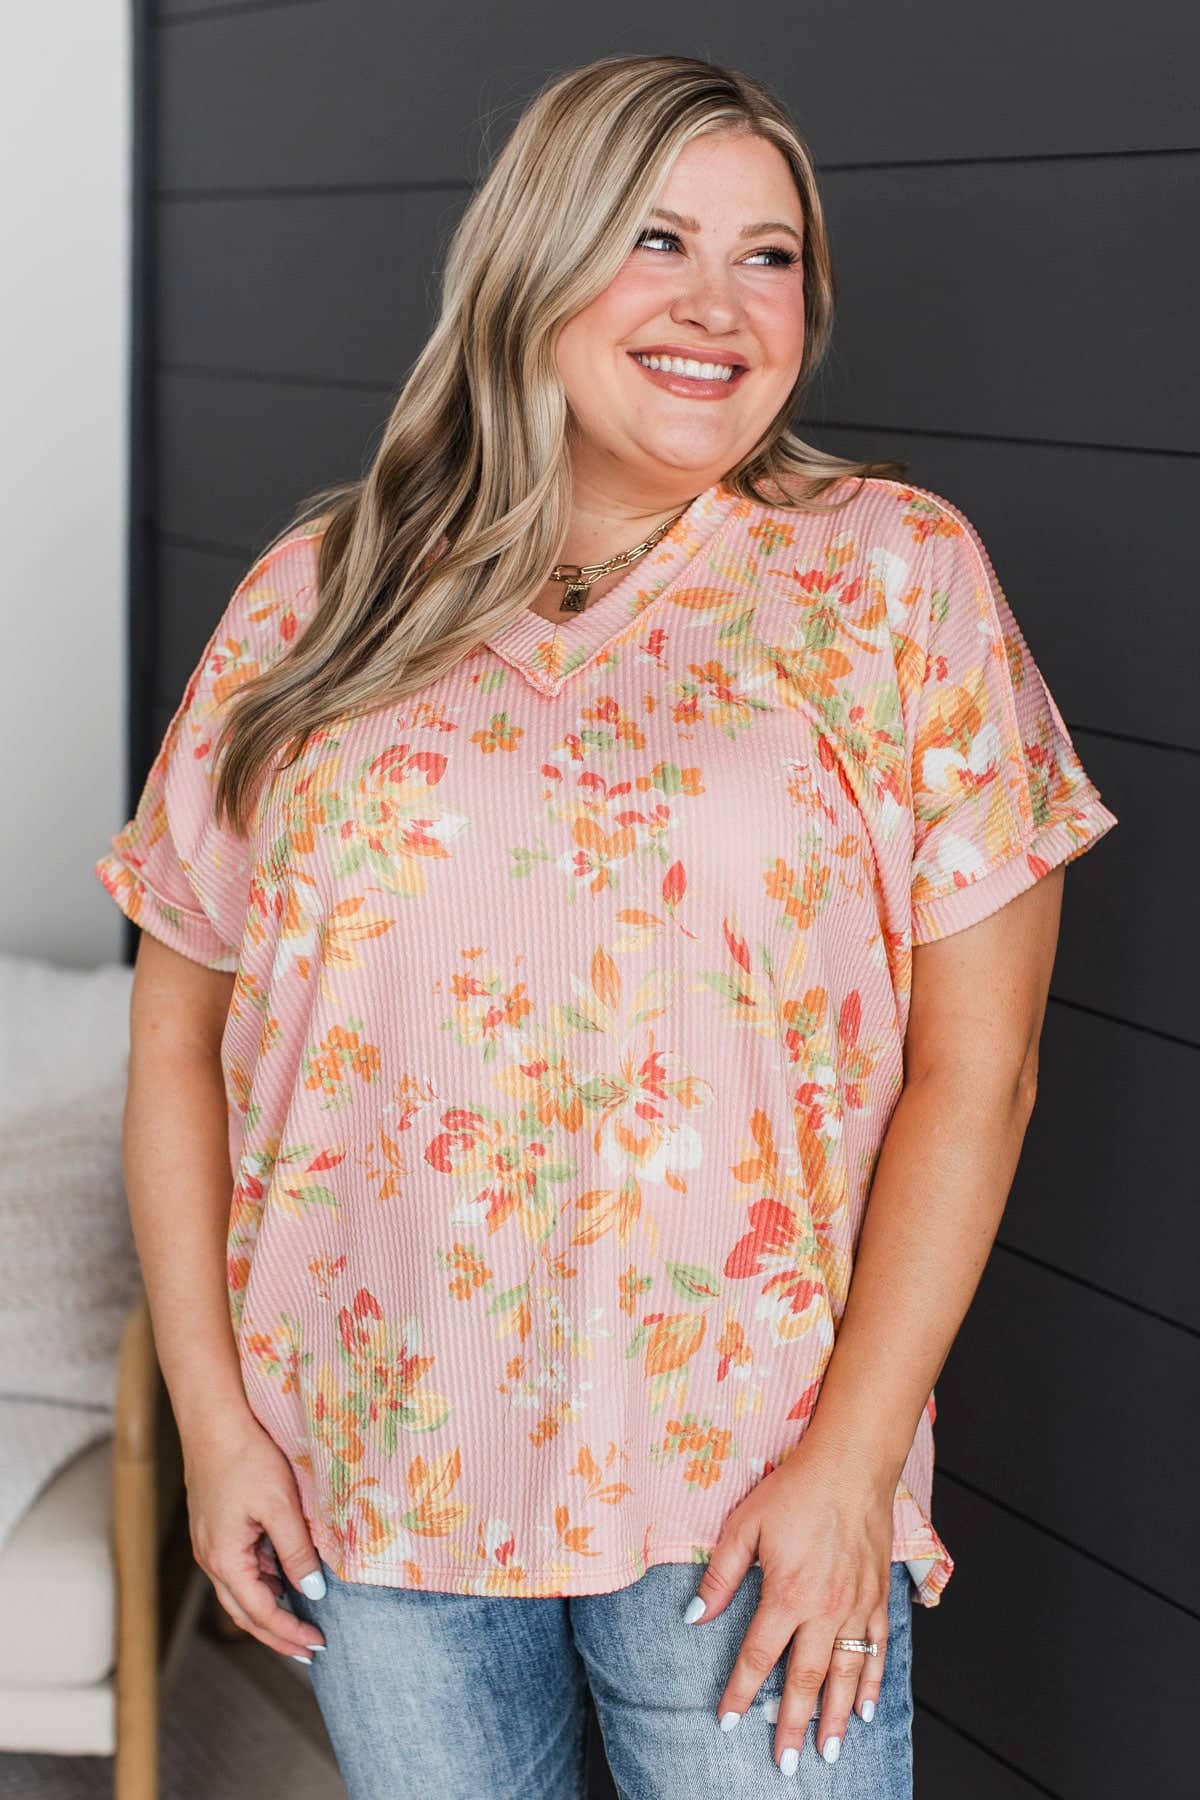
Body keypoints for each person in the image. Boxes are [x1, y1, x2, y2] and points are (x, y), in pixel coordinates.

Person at [95, 51, 1117, 1799]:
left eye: (769, 255)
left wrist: (854, 1465)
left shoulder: (892, 578)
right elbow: (180, 1045)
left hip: (745, 1482)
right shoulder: (322, 597)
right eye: (658, 238)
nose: (720, 303)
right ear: (535, 260)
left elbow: (984, 1070)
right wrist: (212, 1415)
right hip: (370, 1466)